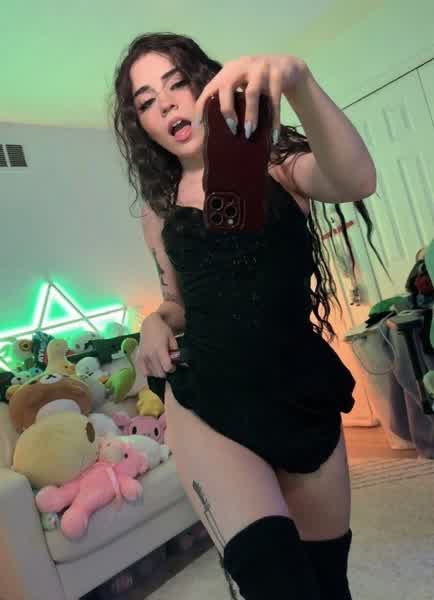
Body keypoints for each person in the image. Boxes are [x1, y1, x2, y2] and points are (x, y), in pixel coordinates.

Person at [111, 32, 378, 600]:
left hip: (300, 392)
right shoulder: (159, 213)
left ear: (207, 85)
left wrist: (299, 81)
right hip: (211, 400)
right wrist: (156, 322)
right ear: (142, 125)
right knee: (277, 584)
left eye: (177, 84)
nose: (167, 105)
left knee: (328, 585)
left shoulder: (277, 166)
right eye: (147, 101)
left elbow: (356, 180)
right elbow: (177, 301)